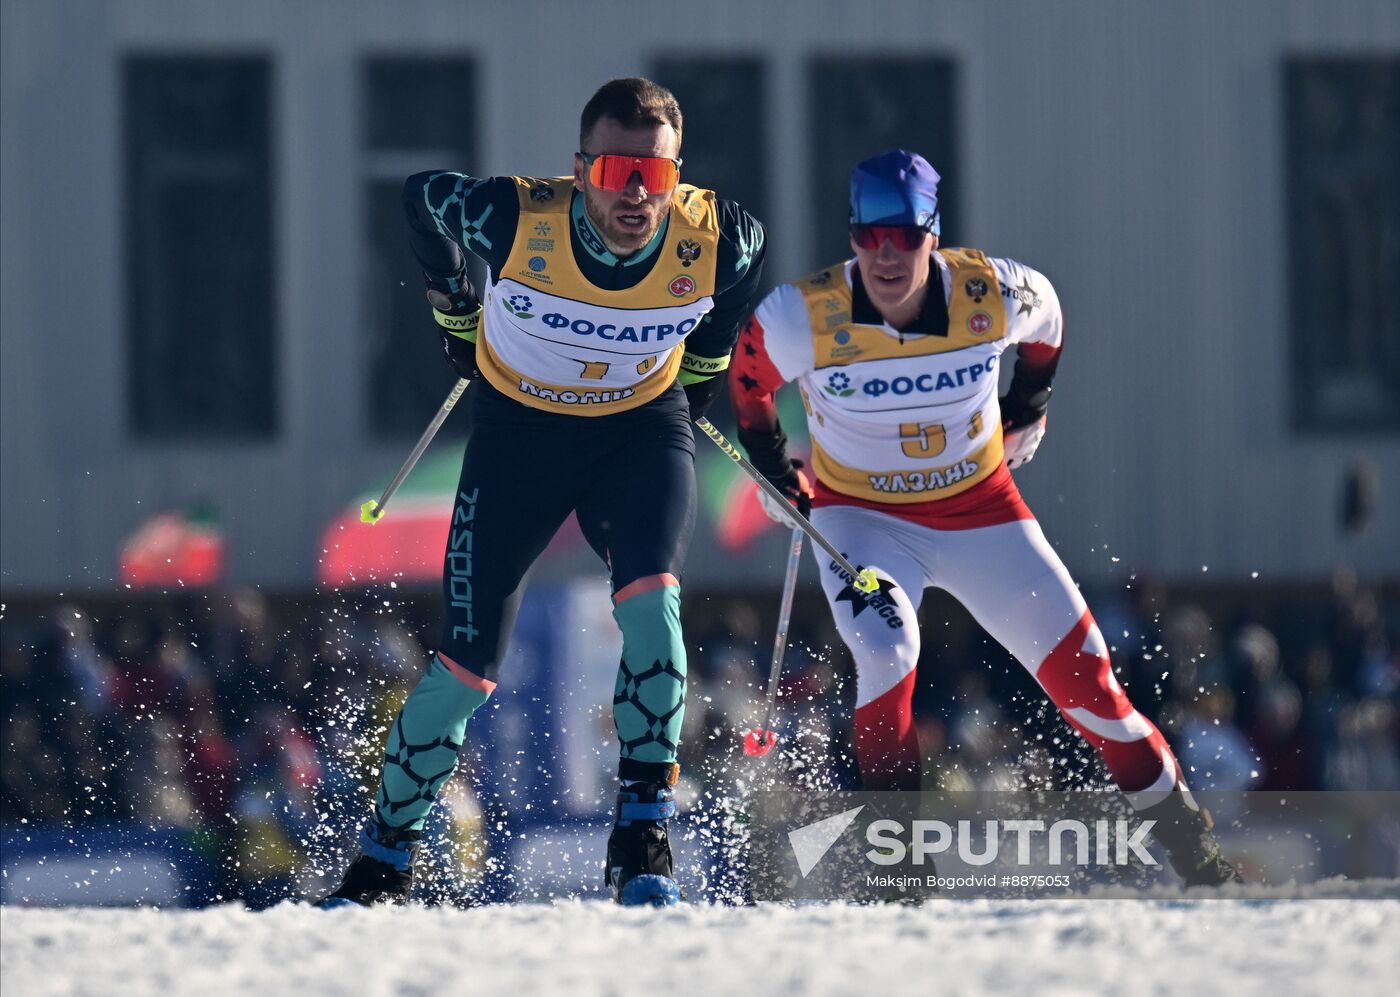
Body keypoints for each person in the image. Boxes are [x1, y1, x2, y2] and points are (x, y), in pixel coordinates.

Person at [728, 149, 1237, 886]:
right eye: (869, 237)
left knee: (1091, 690)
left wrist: (1028, 405)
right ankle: (898, 870)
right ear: (851, 237)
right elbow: (749, 381)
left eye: (905, 235)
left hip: (982, 513)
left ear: (934, 232)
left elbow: (1050, 322)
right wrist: (778, 473)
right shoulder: (803, 315)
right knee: (886, 648)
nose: (887, 255)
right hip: (862, 521)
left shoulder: (992, 291)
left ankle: (1199, 856)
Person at [321, 78, 766, 908]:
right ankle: (381, 862)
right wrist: (455, 310)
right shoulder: (514, 215)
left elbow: (723, 313)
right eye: (615, 171)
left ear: (679, 176)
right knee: (464, 668)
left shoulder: (723, 238)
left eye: (656, 177)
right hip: (518, 436)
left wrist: (695, 385)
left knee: (651, 607)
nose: (635, 194)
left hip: (638, 431)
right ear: (581, 167)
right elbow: (422, 199)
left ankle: (642, 838)